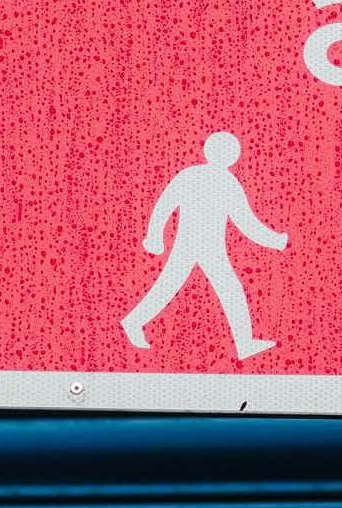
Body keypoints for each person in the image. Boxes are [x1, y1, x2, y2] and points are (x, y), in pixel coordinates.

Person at [121, 131, 288, 361]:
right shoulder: (218, 181)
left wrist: (154, 236)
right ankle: (244, 343)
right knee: (208, 288)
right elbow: (245, 222)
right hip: (196, 246)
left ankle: (245, 343)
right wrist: (276, 240)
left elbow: (244, 221)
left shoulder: (199, 177)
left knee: (196, 287)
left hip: (204, 247)